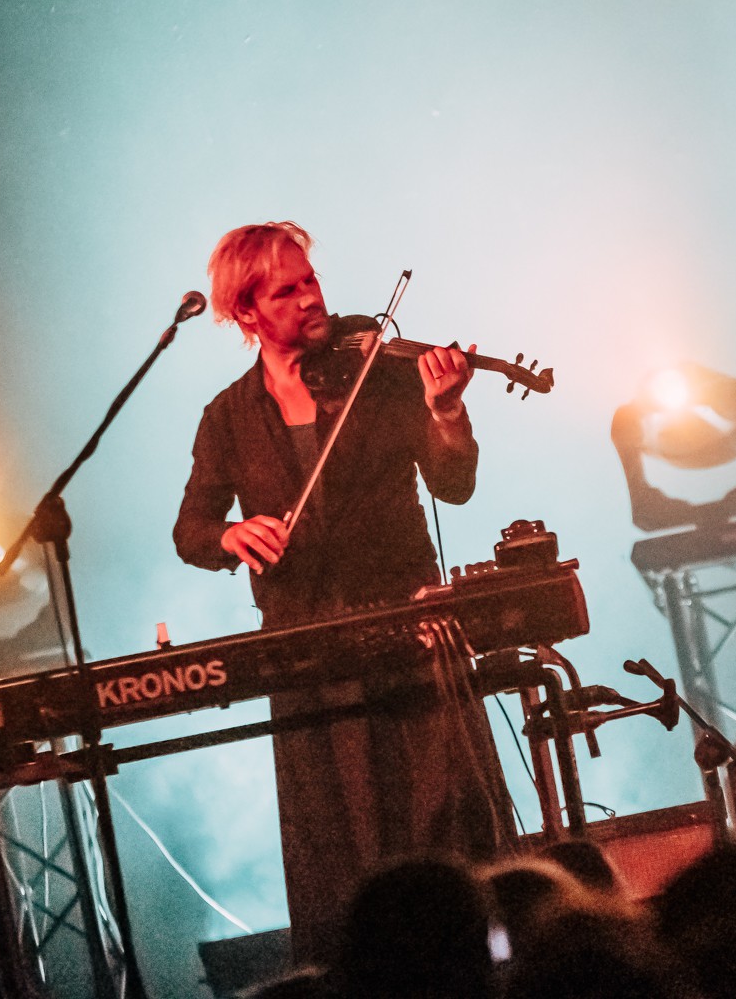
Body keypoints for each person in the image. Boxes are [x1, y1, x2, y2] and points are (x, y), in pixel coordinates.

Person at [174, 222, 512, 962]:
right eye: (286, 291)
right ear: (245, 311)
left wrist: (446, 411)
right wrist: (232, 535)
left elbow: (454, 484)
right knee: (342, 856)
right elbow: (191, 530)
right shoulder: (228, 417)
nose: (311, 298)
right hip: (308, 660)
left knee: (449, 840)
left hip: (411, 634)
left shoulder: (382, 376)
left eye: (311, 280)